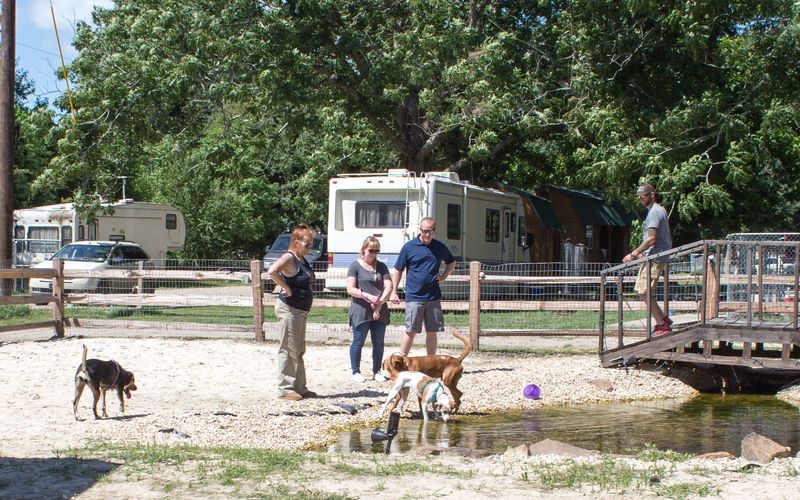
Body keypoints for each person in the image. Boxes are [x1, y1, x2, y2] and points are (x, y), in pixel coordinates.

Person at [390, 217, 457, 355]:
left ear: (434, 231)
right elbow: (398, 270)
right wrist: (393, 291)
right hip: (414, 296)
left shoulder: (439, 247)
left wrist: (444, 276)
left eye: (431, 231)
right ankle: (401, 361)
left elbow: (452, 262)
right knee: (410, 330)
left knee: (432, 332)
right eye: (425, 231)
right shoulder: (409, 247)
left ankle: (431, 362)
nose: (427, 234)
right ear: (420, 230)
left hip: (433, 297)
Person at [267, 224, 319, 400]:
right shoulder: (289, 257)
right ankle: (285, 388)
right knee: (288, 349)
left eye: (311, 244)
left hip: (300, 311)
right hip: (289, 309)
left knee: (299, 349)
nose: (310, 247)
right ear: (296, 242)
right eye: (307, 244)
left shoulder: (302, 259)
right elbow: (272, 271)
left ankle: (300, 387)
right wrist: (286, 287)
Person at [623, 184, 673, 336]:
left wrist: (633, 253)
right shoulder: (656, 210)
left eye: (643, 196)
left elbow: (651, 239)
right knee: (643, 291)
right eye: (639, 197)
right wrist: (642, 253)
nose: (641, 199)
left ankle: (662, 326)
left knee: (644, 292)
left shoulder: (655, 212)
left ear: (652, 195)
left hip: (656, 257)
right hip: (653, 255)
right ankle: (663, 319)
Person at [346, 237, 392, 382]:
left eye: (376, 251)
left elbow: (389, 286)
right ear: (364, 249)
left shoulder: (382, 266)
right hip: (360, 309)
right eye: (371, 250)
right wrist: (366, 296)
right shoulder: (355, 266)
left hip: (380, 309)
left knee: (378, 342)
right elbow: (350, 289)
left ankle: (377, 371)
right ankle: (355, 371)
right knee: (358, 341)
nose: (373, 254)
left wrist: (380, 303)